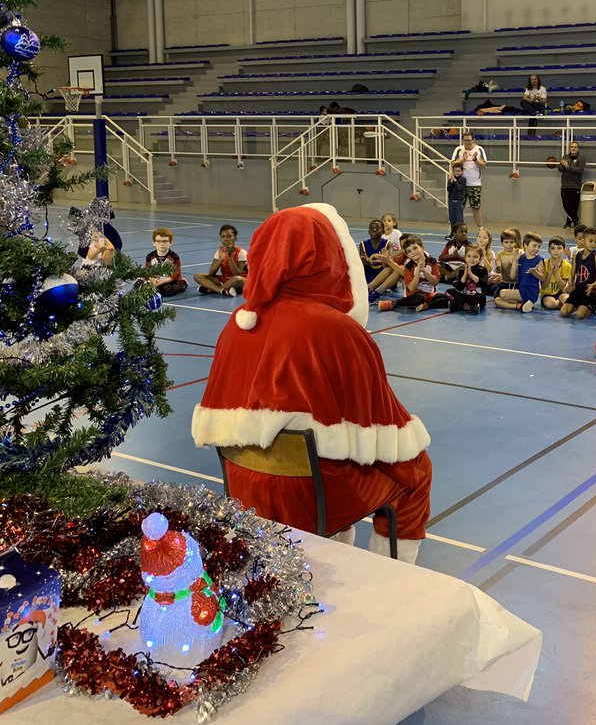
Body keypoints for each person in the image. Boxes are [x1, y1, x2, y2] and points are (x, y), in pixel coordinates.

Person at [192, 203, 431, 563]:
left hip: (244, 487)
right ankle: (390, 575)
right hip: (308, 497)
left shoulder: (238, 323)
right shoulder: (336, 331)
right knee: (417, 471)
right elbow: (386, 432)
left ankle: (330, 547)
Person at [378, 236, 448, 312]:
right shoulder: (408, 267)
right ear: (407, 255)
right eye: (409, 251)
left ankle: (427, 305)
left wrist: (424, 270)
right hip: (415, 295)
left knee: (448, 297)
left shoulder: (432, 262)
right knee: (419, 298)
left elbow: (435, 283)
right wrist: (417, 271)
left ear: (422, 248)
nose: (413, 252)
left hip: (429, 293)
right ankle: (394, 303)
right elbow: (411, 288)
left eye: (415, 248)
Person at [194, 224, 249, 297]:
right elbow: (211, 273)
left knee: (236, 279)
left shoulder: (242, 252)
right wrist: (220, 259)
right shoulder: (219, 252)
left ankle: (211, 288)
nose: (226, 239)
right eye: (223, 237)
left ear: (235, 237)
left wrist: (229, 257)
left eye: (229, 236)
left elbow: (237, 274)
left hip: (241, 280)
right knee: (198, 276)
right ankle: (222, 290)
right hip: (225, 279)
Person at [495, 232, 543, 313]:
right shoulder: (521, 258)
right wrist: (515, 260)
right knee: (497, 300)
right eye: (534, 246)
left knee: (502, 293)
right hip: (520, 290)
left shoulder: (539, 260)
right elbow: (512, 276)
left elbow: (542, 277)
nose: (537, 249)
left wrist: (535, 273)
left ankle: (523, 304)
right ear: (525, 245)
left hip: (530, 291)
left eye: (539, 246)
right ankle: (520, 305)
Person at [561, 227, 596, 318]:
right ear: (583, 240)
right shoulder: (576, 256)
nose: (594, 244)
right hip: (578, 289)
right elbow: (572, 274)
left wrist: (592, 286)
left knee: (580, 315)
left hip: (590, 291)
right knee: (563, 312)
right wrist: (569, 284)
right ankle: (580, 304)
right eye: (591, 241)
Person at [449, 133, 487, 229]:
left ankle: (481, 229)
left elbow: (483, 165)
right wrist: (462, 160)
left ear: (473, 140)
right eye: (465, 140)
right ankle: (456, 230)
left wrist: (475, 160)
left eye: (469, 140)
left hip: (474, 184)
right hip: (460, 184)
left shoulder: (479, 149)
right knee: (458, 207)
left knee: (476, 207)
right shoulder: (458, 149)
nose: (467, 142)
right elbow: (453, 164)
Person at [445, 245, 489, 314]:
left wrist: (471, 274)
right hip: (465, 294)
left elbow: (484, 283)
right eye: (469, 256)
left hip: (476, 295)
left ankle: (463, 305)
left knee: (481, 297)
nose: (471, 259)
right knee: (448, 291)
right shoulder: (462, 270)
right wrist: (465, 274)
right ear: (465, 258)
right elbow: (459, 287)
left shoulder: (482, 270)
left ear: (480, 259)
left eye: (475, 257)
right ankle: (465, 305)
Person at [145, 228, 188, 297]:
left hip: (168, 281)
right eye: (159, 241)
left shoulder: (174, 257)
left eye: (165, 241)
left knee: (167, 290)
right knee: (138, 285)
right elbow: (147, 272)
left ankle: (183, 284)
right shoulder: (150, 256)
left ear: (170, 243)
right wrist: (152, 280)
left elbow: (175, 275)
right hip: (155, 280)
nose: (162, 244)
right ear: (154, 243)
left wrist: (161, 282)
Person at [536, 236, 573, 309]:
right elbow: (543, 286)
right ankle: (563, 306)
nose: (556, 251)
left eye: (559, 248)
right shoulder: (543, 264)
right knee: (551, 304)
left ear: (564, 250)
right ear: (549, 250)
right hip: (547, 294)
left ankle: (565, 305)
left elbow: (562, 287)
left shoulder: (567, 266)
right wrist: (550, 272)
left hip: (561, 293)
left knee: (567, 300)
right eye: (553, 248)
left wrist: (556, 273)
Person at [557, 141, 585, 228]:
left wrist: (568, 167)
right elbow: (560, 169)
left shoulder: (581, 158)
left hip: (575, 185)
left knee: (574, 205)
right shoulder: (565, 157)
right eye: (572, 147)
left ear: (578, 148)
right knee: (566, 204)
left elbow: (580, 170)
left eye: (575, 147)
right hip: (565, 185)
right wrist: (562, 165)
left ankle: (569, 222)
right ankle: (575, 219)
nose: (573, 148)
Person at [356, 219, 388, 286]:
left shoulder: (387, 243)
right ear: (368, 231)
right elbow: (362, 262)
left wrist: (372, 262)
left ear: (383, 231)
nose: (374, 230)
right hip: (368, 277)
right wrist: (364, 261)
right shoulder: (363, 244)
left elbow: (389, 262)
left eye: (377, 228)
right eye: (372, 228)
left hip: (382, 277)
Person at [446, 163, 467, 238]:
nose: (457, 172)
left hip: (459, 201)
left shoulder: (463, 180)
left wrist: (454, 180)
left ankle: (461, 234)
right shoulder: (450, 180)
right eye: (455, 171)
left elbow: (459, 188)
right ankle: (453, 233)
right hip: (451, 201)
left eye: (458, 171)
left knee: (459, 219)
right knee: (452, 218)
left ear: (462, 171)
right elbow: (448, 189)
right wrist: (451, 182)